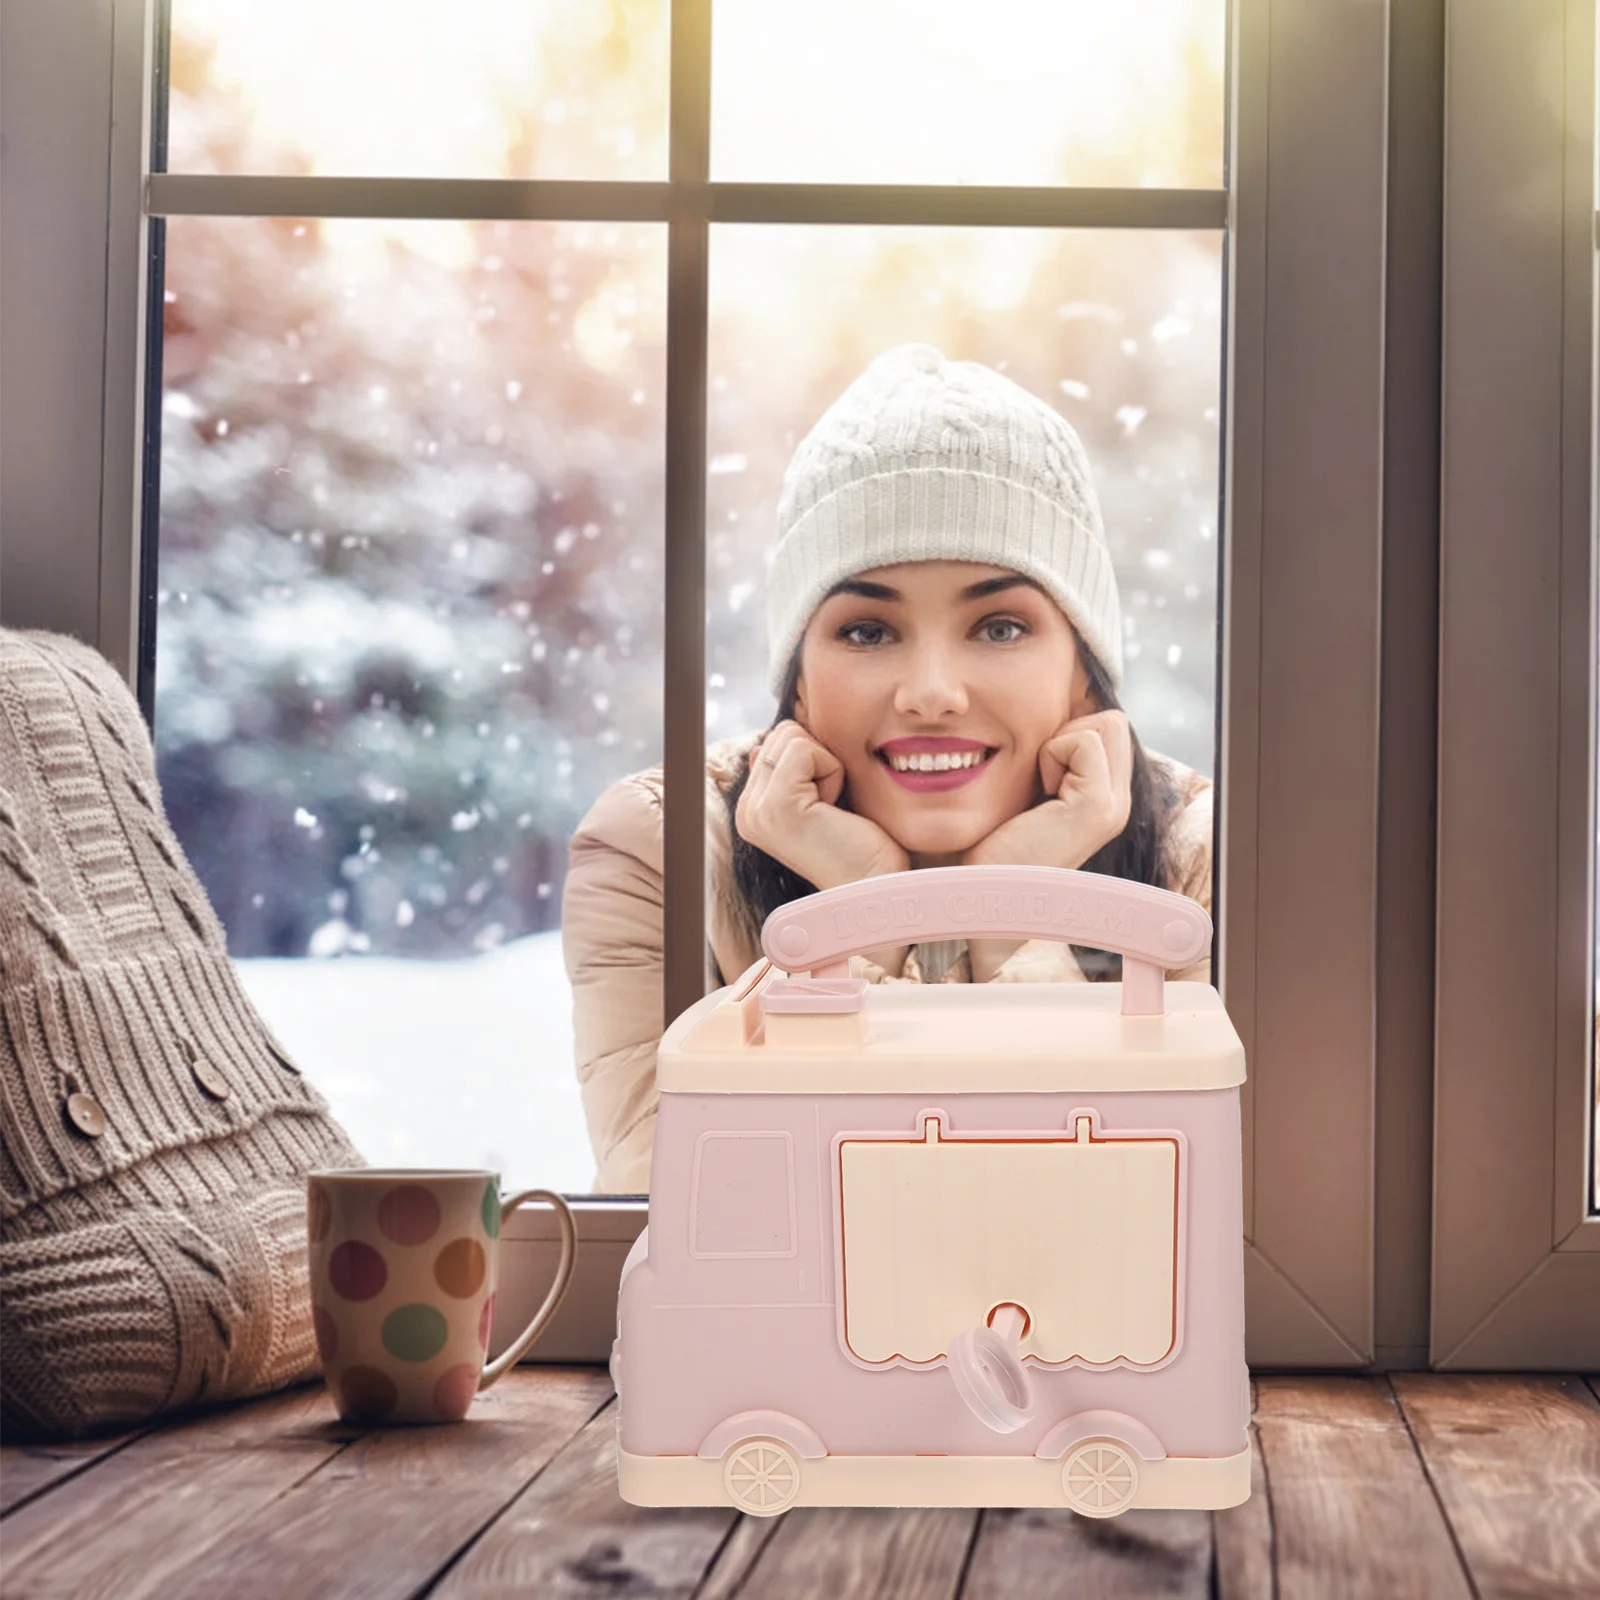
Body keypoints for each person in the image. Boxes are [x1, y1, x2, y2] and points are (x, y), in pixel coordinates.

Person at [562, 343, 1214, 1193]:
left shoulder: (1204, 861)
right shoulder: (663, 851)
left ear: (1085, 671)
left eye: (1000, 627)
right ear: (796, 677)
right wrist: (854, 921)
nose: (932, 693)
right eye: (868, 632)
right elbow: (691, 1226)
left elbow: (1168, 1241)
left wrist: (1011, 910)